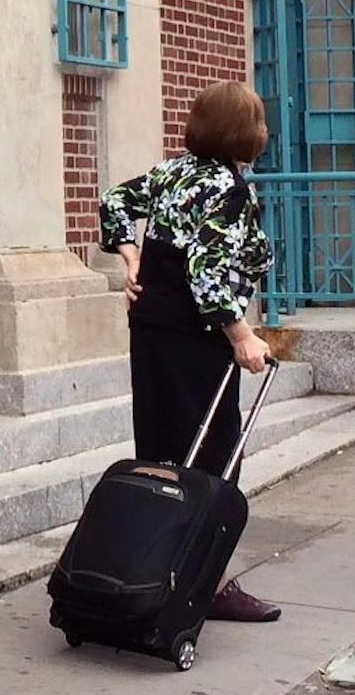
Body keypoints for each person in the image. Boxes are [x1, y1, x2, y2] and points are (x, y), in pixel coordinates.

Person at [98, 80, 281, 623]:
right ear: (244, 133)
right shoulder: (228, 188)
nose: (265, 131)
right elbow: (207, 274)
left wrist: (131, 258)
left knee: (161, 453)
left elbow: (114, 202)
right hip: (194, 340)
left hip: (152, 331)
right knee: (214, 457)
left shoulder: (172, 172)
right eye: (260, 122)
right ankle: (209, 581)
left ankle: (158, 569)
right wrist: (242, 336)